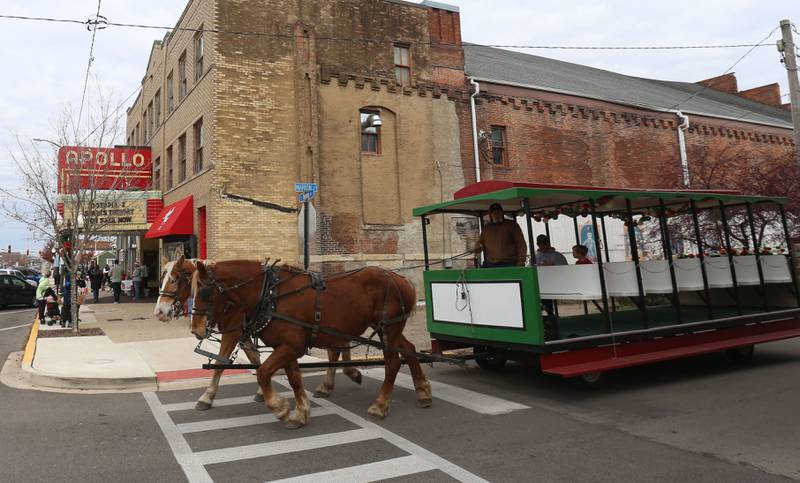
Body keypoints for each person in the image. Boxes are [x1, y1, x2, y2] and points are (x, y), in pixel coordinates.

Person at [473, 203, 527, 268]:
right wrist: (477, 246)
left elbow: (521, 244)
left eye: (498, 212)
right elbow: (480, 242)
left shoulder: (512, 225)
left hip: (508, 263)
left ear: (502, 213)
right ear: (490, 214)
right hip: (490, 263)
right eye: (494, 213)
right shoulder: (487, 227)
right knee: (480, 276)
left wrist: (521, 261)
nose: (496, 215)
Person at [535, 235, 568, 333]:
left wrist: (551, 266)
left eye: (545, 243)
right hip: (540, 283)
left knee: (548, 307)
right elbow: (530, 267)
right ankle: (544, 322)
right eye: (541, 244)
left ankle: (551, 322)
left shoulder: (557, 255)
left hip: (555, 283)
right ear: (538, 244)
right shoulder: (535, 256)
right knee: (542, 304)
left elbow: (564, 268)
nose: (543, 246)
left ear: (548, 243)